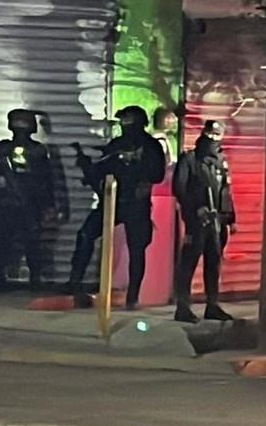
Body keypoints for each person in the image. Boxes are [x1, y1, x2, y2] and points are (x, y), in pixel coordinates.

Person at [65, 106, 166, 309]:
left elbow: (158, 174)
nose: (124, 125)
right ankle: (74, 284)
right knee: (85, 235)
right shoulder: (117, 144)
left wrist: (138, 173)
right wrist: (87, 166)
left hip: (136, 205)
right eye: (123, 122)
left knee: (137, 249)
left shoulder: (151, 146)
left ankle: (133, 297)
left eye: (128, 121)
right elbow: (101, 169)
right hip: (112, 202)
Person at [172, 121, 235, 323]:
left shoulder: (220, 161)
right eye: (210, 135)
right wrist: (195, 209)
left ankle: (212, 305)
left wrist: (231, 217)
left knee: (213, 264)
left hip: (217, 222)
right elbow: (179, 189)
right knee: (188, 263)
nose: (213, 139)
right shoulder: (190, 159)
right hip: (196, 221)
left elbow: (226, 191)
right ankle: (182, 307)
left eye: (217, 136)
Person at [0, 109, 56, 289]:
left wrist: (48, 205)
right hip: (12, 204)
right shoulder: (2, 150)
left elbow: (46, 180)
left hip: (27, 203)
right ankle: (3, 279)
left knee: (28, 244)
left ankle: (30, 280)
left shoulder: (36, 150)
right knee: (8, 242)